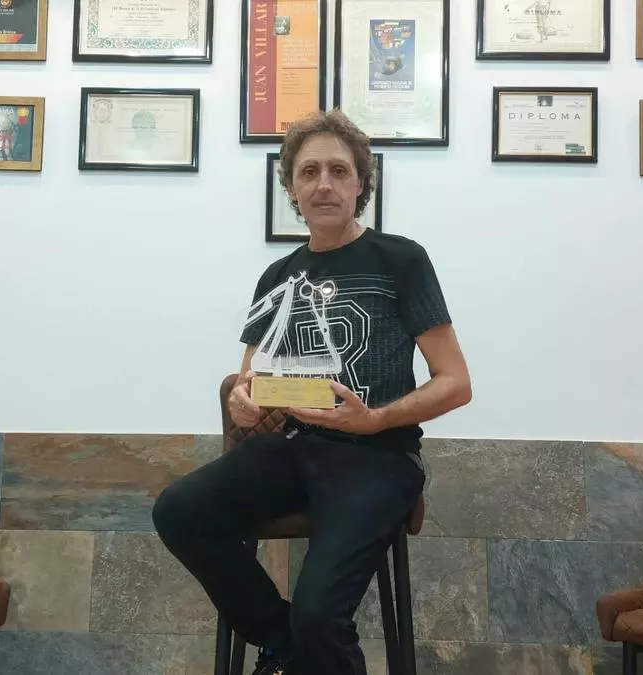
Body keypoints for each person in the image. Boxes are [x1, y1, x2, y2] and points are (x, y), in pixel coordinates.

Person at [151, 108, 472, 675]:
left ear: (361, 184)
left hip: (379, 456)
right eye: (309, 172)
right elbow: (250, 385)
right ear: (292, 189)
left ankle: (301, 641)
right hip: (293, 450)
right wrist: (242, 403)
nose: (324, 184)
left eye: (339, 171)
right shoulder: (277, 277)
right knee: (179, 511)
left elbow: (456, 383)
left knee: (321, 614)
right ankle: (285, 644)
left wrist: (376, 419)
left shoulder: (401, 259)